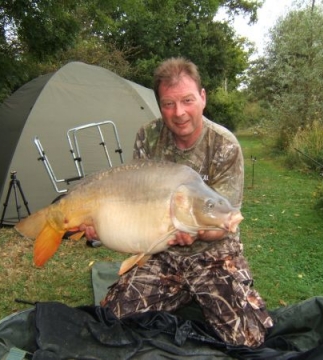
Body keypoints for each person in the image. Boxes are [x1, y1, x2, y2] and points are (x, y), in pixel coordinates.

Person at [82, 57, 273, 347]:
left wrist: (195, 231)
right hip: (163, 252)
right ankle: (183, 291)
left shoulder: (224, 145)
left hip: (214, 252)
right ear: (160, 105)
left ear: (203, 97)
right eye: (169, 104)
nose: (179, 112)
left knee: (249, 339)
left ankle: (202, 290)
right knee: (112, 317)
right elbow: (135, 202)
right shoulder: (148, 137)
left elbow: (224, 224)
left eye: (187, 100)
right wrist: (102, 223)